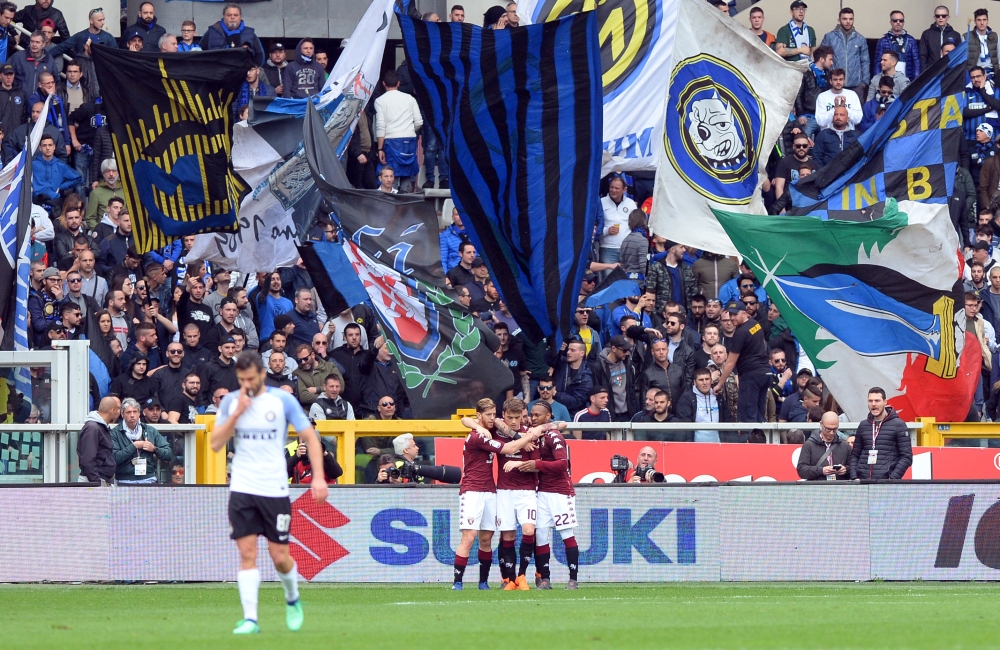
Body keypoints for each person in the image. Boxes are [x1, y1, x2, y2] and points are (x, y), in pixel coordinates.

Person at [210, 351, 328, 634]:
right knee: (247, 553)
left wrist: (318, 477)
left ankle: (292, 598)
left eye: (250, 378)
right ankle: (251, 619)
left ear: (262, 375)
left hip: (274, 489)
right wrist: (236, 413)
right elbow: (215, 444)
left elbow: (310, 438)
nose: (246, 384)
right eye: (241, 379)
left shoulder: (282, 400)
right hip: (242, 488)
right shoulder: (231, 402)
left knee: (279, 557)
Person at [451, 398, 544, 590]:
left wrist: (524, 435)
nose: (492, 418)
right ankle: (457, 582)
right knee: (469, 536)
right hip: (472, 490)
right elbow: (508, 447)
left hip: (490, 491)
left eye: (494, 414)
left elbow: (493, 425)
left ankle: (483, 582)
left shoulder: (493, 429)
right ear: (479, 415)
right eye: (488, 415)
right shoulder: (478, 436)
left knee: (486, 538)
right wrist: (526, 439)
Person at [520, 401, 577, 589]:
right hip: (542, 492)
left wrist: (537, 465)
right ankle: (545, 578)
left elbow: (563, 464)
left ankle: (573, 579)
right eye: (532, 414)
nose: (533, 418)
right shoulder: (533, 434)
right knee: (541, 535)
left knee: (566, 534)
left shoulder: (554, 435)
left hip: (560, 492)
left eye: (538, 415)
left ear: (548, 417)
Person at [714, 300, 769, 424]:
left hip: (751, 376)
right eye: (730, 314)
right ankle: (762, 436)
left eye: (735, 314)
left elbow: (730, 363)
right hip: (765, 373)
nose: (731, 318)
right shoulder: (755, 324)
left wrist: (720, 384)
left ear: (744, 313)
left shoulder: (740, 333)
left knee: (747, 417)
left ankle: (750, 437)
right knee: (760, 415)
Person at [849, 387, 913, 480]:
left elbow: (906, 457)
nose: (873, 404)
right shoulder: (863, 425)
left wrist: (892, 478)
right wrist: (854, 477)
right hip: (863, 481)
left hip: (886, 482)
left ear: (885, 402)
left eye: (877, 401)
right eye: (870, 401)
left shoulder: (899, 425)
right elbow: (855, 455)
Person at [374, 70, 422, 193]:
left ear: (383, 83)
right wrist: (409, 130)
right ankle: (406, 201)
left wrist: (380, 149)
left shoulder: (380, 100)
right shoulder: (410, 99)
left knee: (390, 176)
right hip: (409, 140)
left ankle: (391, 202)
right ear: (398, 83)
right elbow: (419, 122)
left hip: (391, 141)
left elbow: (380, 126)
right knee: (408, 174)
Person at [111, 397, 172, 484]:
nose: (132, 415)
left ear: (139, 413)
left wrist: (154, 449)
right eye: (128, 412)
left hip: (148, 479)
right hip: (124, 480)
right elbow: (114, 458)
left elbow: (169, 454)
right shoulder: (115, 433)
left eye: (135, 412)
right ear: (122, 414)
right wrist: (134, 446)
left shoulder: (150, 430)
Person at [820, 8, 869, 99]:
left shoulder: (860, 39)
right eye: (845, 19)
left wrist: (864, 83)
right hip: (834, 84)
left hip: (856, 86)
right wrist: (826, 79)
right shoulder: (829, 37)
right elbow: (822, 59)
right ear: (839, 20)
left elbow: (865, 61)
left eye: (851, 19)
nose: (848, 22)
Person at [199, 3, 265, 66]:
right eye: (229, 15)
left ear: (240, 16)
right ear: (224, 16)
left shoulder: (249, 33)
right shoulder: (212, 31)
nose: (232, 17)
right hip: (218, 72)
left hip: (242, 72)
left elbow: (260, 55)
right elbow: (200, 51)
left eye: (235, 15)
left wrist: (256, 69)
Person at [78, 396, 119, 484]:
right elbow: (88, 459)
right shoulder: (93, 428)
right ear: (112, 410)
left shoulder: (99, 427)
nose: (118, 412)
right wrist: (96, 482)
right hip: (94, 481)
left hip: (99, 479)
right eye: (117, 409)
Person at [598, 177, 635, 269]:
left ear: (624, 190)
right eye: (611, 187)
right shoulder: (601, 202)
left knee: (626, 277)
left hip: (627, 249)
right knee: (609, 277)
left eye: (617, 188)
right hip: (607, 248)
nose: (613, 190)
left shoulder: (630, 204)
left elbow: (636, 225)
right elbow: (595, 226)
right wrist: (607, 231)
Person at [873, 10, 920, 82]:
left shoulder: (911, 40)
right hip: (887, 81)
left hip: (907, 80)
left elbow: (916, 62)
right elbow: (877, 63)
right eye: (895, 20)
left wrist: (916, 81)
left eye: (901, 20)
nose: (898, 22)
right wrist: (878, 82)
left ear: (903, 22)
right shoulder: (882, 41)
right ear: (891, 22)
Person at [920, 6, 962, 70]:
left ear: (948, 17)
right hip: (932, 70)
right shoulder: (927, 34)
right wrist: (925, 70)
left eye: (943, 16)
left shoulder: (955, 35)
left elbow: (958, 55)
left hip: (950, 70)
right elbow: (922, 55)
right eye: (937, 16)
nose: (940, 18)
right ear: (934, 17)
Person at [969, 9, 999, 79]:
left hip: (993, 74)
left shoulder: (995, 36)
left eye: (984, 20)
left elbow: (999, 58)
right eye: (979, 20)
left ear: (988, 21)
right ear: (975, 21)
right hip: (975, 76)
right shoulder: (966, 37)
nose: (982, 23)